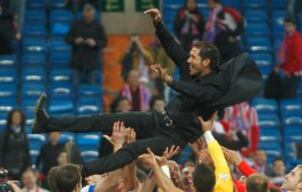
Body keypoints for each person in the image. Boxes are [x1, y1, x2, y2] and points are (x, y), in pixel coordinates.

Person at [31, 7, 262, 176]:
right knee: (104, 119)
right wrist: (159, 25)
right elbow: (175, 50)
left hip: (173, 138)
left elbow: (197, 94)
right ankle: (46, 124)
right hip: (158, 119)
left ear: (207, 62)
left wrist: (170, 80)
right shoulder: (193, 71)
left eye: (194, 57)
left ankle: (79, 172)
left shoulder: (216, 88)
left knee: (132, 149)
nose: (188, 59)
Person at [65, 3, 107, 85]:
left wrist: (95, 43)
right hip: (77, 62)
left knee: (90, 91)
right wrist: (75, 41)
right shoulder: (76, 24)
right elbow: (67, 39)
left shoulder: (99, 26)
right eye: (87, 15)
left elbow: (104, 42)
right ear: (83, 14)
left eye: (90, 15)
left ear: (94, 15)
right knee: (75, 87)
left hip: (92, 63)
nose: (88, 17)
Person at [264, 18, 302, 100]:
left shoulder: (297, 39)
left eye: (289, 26)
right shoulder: (287, 38)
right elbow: (284, 56)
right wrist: (279, 66)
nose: (287, 28)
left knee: (288, 97)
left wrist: (289, 71)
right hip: (287, 70)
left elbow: (297, 58)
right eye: (286, 26)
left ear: (294, 26)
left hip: (293, 73)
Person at [0, 110, 30, 181]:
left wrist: (28, 166)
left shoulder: (23, 134)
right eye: (15, 116)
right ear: (11, 118)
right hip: (7, 168)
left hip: (21, 169)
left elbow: (26, 151)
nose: (17, 118)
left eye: (18, 116)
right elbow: (0, 150)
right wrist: (1, 165)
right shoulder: (5, 134)